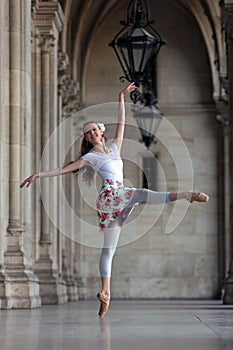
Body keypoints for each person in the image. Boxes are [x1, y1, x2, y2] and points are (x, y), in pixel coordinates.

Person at [20, 82, 209, 317]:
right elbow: (64, 169)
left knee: (110, 249)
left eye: (94, 130)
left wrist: (121, 96)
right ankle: (187, 196)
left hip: (117, 198)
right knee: (139, 194)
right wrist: (39, 174)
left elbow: (121, 123)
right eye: (88, 133)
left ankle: (105, 292)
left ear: (101, 132)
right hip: (111, 196)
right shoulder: (89, 157)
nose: (91, 134)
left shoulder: (114, 148)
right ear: (87, 139)